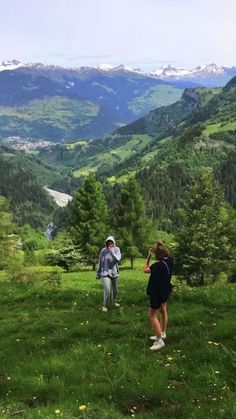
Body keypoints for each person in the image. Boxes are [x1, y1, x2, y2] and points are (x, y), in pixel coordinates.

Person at [143, 240, 174, 350]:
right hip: (165, 290)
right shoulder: (170, 260)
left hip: (157, 292)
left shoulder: (158, 265)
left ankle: (159, 340)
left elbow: (145, 269)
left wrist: (148, 257)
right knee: (163, 310)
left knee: (152, 316)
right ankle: (162, 332)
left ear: (156, 254)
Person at [96, 235, 121, 312]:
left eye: (111, 243)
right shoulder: (103, 251)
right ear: (106, 243)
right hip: (105, 273)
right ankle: (105, 305)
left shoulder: (117, 249)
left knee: (115, 289)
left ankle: (114, 301)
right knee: (107, 289)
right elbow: (100, 262)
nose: (110, 244)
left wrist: (112, 252)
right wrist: (98, 273)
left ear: (114, 243)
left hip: (114, 272)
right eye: (108, 243)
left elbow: (118, 259)